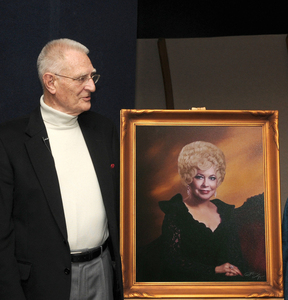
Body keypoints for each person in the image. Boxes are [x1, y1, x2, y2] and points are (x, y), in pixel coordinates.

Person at [0, 38, 123, 300]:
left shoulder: (104, 130)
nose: (91, 86)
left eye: (92, 76)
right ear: (51, 82)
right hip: (43, 283)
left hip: (102, 271)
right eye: (81, 78)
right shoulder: (9, 141)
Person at [137, 141, 246, 282]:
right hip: (186, 288)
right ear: (188, 178)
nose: (206, 184)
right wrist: (215, 269)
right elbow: (172, 262)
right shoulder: (176, 212)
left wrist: (231, 271)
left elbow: (236, 256)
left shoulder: (226, 212)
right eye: (199, 177)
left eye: (212, 178)